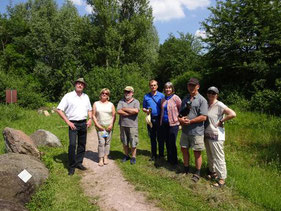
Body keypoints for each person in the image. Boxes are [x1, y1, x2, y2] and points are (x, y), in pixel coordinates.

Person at [56, 78, 92, 175]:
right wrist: (68, 122)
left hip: (83, 123)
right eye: (78, 83)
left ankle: (78, 163)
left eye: (82, 84)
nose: (80, 85)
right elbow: (59, 109)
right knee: (72, 145)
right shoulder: (68, 96)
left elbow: (89, 109)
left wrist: (90, 119)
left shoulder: (86, 97)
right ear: (75, 84)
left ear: (84, 86)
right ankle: (71, 166)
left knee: (82, 144)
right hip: (73, 124)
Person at [204, 86, 236, 187]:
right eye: (209, 92)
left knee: (218, 157)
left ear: (216, 95)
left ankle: (222, 179)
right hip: (207, 134)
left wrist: (222, 121)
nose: (211, 94)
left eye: (213, 93)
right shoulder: (207, 104)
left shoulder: (220, 105)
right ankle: (213, 173)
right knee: (210, 155)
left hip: (216, 135)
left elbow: (233, 114)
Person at [179, 78, 208, 183]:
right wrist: (180, 119)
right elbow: (180, 114)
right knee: (184, 149)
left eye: (193, 85)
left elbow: (204, 117)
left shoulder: (202, 100)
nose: (191, 87)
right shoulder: (185, 98)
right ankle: (186, 169)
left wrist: (190, 121)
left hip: (196, 132)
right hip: (185, 131)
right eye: (189, 85)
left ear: (198, 86)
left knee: (197, 152)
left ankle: (197, 172)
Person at [92, 88, 116, 167]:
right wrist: (97, 125)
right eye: (103, 93)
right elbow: (93, 115)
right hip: (100, 127)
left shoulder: (111, 104)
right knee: (101, 142)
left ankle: (106, 157)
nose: (104, 94)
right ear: (100, 94)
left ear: (108, 95)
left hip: (108, 127)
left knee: (107, 142)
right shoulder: (96, 103)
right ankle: (100, 158)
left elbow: (114, 115)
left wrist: (111, 124)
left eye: (106, 93)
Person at [160, 82, 182, 165]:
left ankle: (174, 161)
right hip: (164, 123)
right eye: (166, 88)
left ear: (172, 89)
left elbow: (181, 109)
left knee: (172, 142)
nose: (167, 89)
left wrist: (180, 122)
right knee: (167, 142)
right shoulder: (163, 99)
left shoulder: (176, 98)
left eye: (169, 88)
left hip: (174, 123)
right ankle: (169, 159)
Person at [142, 80, 165, 161]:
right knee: (152, 137)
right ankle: (154, 155)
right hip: (150, 118)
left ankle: (161, 155)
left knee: (160, 137)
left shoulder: (161, 95)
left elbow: (164, 107)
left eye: (154, 85)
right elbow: (143, 107)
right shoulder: (146, 96)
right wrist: (146, 110)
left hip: (159, 118)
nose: (153, 87)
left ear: (157, 86)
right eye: (151, 85)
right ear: (149, 86)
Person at [117, 86, 140, 165]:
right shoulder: (121, 101)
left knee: (133, 141)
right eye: (125, 92)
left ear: (132, 93)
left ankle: (133, 157)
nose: (127, 93)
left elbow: (136, 111)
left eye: (129, 92)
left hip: (132, 125)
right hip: (123, 125)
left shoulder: (136, 101)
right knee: (125, 141)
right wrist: (130, 112)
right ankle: (126, 155)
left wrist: (124, 109)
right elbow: (119, 111)